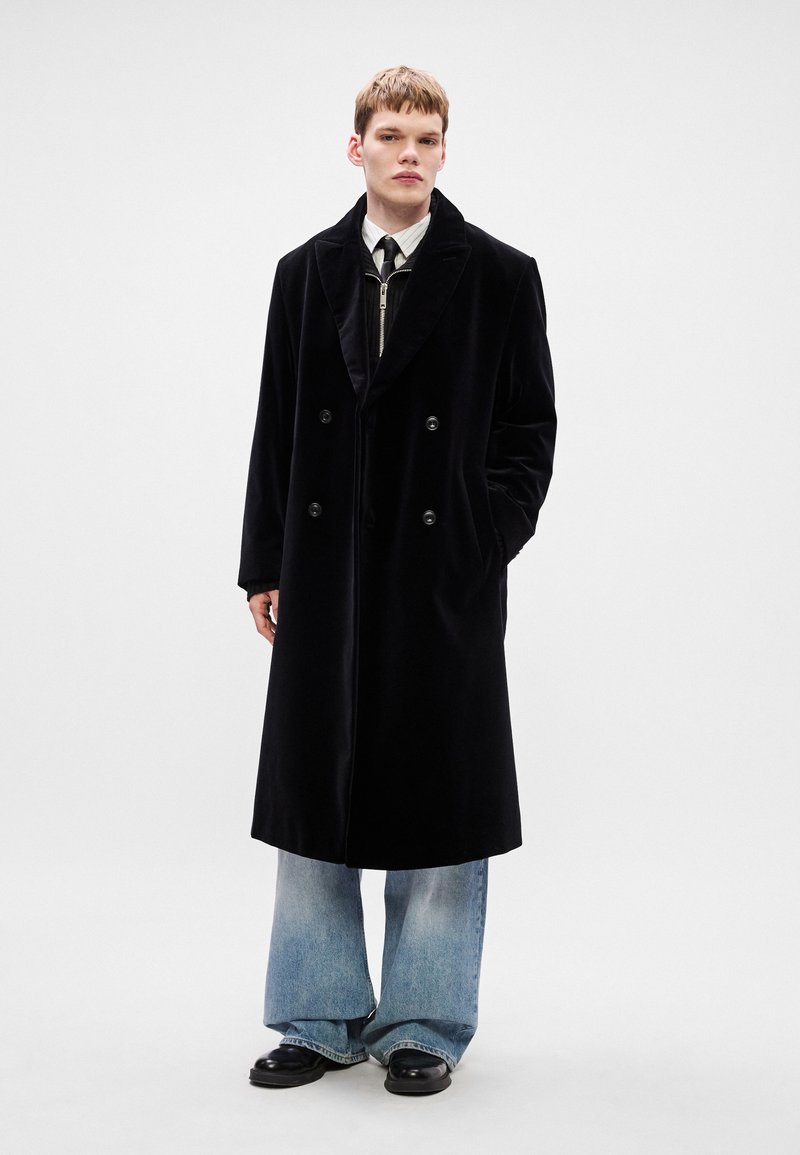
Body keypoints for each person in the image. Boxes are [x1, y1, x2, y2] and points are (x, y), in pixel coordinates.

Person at [238, 65, 556, 1095]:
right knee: (314, 792)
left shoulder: (499, 274)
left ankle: (422, 1022)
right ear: (357, 148)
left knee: (440, 791)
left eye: (426, 138)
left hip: (438, 578)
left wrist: (481, 534)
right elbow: (276, 425)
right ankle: (319, 1015)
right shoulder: (304, 272)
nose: (408, 153)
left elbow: (528, 430)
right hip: (324, 570)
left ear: (443, 153)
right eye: (390, 135)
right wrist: (263, 561)